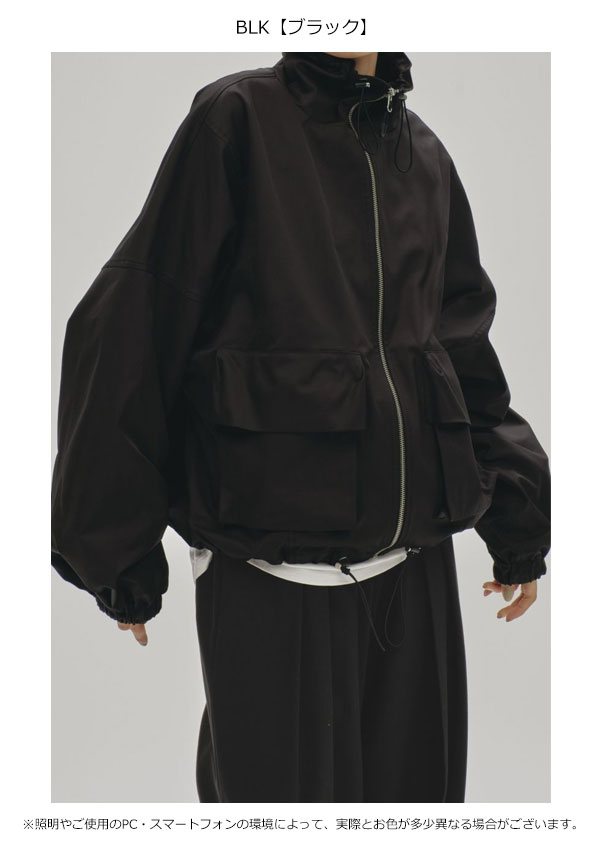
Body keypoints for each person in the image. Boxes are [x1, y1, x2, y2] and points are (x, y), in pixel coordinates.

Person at [51, 52, 551, 803]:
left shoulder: (421, 152)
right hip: (272, 581)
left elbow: (459, 348)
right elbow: (134, 321)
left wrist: (518, 520)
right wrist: (115, 550)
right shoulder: (238, 121)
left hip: (418, 572)